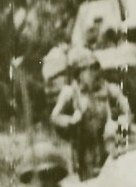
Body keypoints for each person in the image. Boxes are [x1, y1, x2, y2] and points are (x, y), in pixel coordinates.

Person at [50, 47, 131, 178]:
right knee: (89, 178)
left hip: (107, 141)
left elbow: (126, 109)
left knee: (113, 174)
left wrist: (118, 122)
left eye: (94, 68)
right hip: (85, 147)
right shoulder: (70, 93)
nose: (93, 73)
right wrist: (71, 120)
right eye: (88, 69)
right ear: (78, 73)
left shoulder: (109, 89)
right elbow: (55, 117)